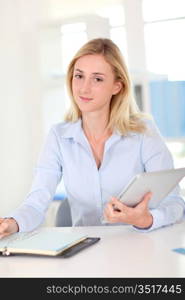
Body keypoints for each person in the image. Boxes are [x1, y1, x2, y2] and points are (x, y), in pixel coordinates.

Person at [0, 38, 184, 239]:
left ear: (117, 86)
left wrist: (146, 219)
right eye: (79, 76)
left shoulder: (143, 133)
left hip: (139, 247)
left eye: (97, 79)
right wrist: (13, 223)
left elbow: (175, 203)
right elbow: (37, 201)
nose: (84, 88)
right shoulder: (59, 136)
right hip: (83, 252)